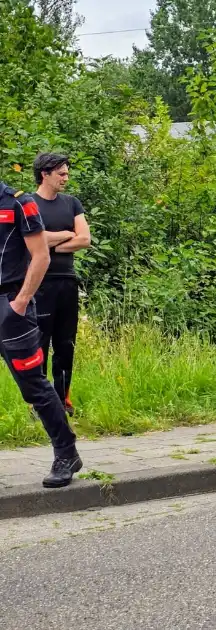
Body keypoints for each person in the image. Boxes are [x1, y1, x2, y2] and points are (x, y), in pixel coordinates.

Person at [0, 180, 80, 488]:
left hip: (11, 306)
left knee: (33, 384)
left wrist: (19, 303)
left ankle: (66, 453)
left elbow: (41, 256)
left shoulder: (19, 203)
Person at [31, 153, 90, 416]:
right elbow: (31, 239)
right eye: (61, 174)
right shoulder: (28, 204)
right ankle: (39, 404)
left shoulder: (72, 203)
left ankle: (63, 399)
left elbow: (84, 239)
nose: (66, 178)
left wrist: (48, 246)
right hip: (39, 283)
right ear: (45, 174)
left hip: (67, 282)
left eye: (67, 173)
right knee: (39, 343)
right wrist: (63, 236)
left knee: (66, 344)